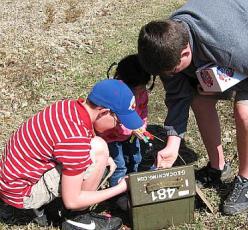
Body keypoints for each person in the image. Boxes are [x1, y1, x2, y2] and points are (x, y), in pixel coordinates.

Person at [137, 0, 248, 215]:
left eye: (171, 71)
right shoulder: (165, 45)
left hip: (242, 42)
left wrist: (232, 80)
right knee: (199, 99)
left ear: (186, 53)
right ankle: (217, 168)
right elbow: (178, 97)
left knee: (244, 112)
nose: (168, 76)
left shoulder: (230, 47)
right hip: (226, 45)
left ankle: (246, 179)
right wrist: (172, 144)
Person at [0, 79, 144, 229]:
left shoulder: (69, 107)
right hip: (22, 193)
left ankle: (53, 206)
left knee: (98, 149)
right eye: (119, 121)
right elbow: (72, 200)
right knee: (99, 149)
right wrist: (121, 187)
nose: (119, 127)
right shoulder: (75, 139)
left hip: (11, 179)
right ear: (104, 112)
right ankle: (77, 220)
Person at [101, 54, 153, 210]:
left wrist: (141, 126)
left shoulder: (142, 93)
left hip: (131, 134)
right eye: (137, 89)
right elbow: (109, 122)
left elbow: (142, 111)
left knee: (135, 158)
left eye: (144, 87)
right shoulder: (113, 96)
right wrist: (130, 128)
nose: (141, 92)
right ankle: (117, 195)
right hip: (111, 137)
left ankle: (132, 184)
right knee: (119, 165)